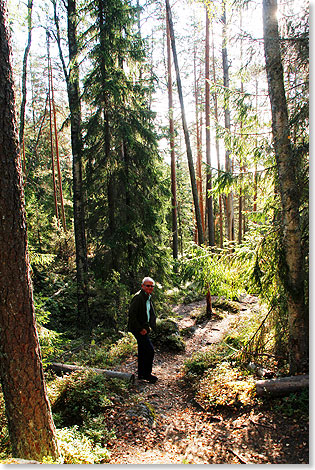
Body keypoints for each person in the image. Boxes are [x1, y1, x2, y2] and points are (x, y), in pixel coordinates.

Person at [128, 277, 158, 383]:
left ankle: (141, 374)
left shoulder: (147, 297)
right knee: (149, 351)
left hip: (144, 328)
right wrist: (140, 329)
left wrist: (152, 327)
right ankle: (147, 374)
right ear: (142, 286)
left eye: (151, 286)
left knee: (142, 350)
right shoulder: (138, 297)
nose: (150, 288)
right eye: (147, 285)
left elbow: (150, 313)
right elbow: (132, 315)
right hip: (138, 329)